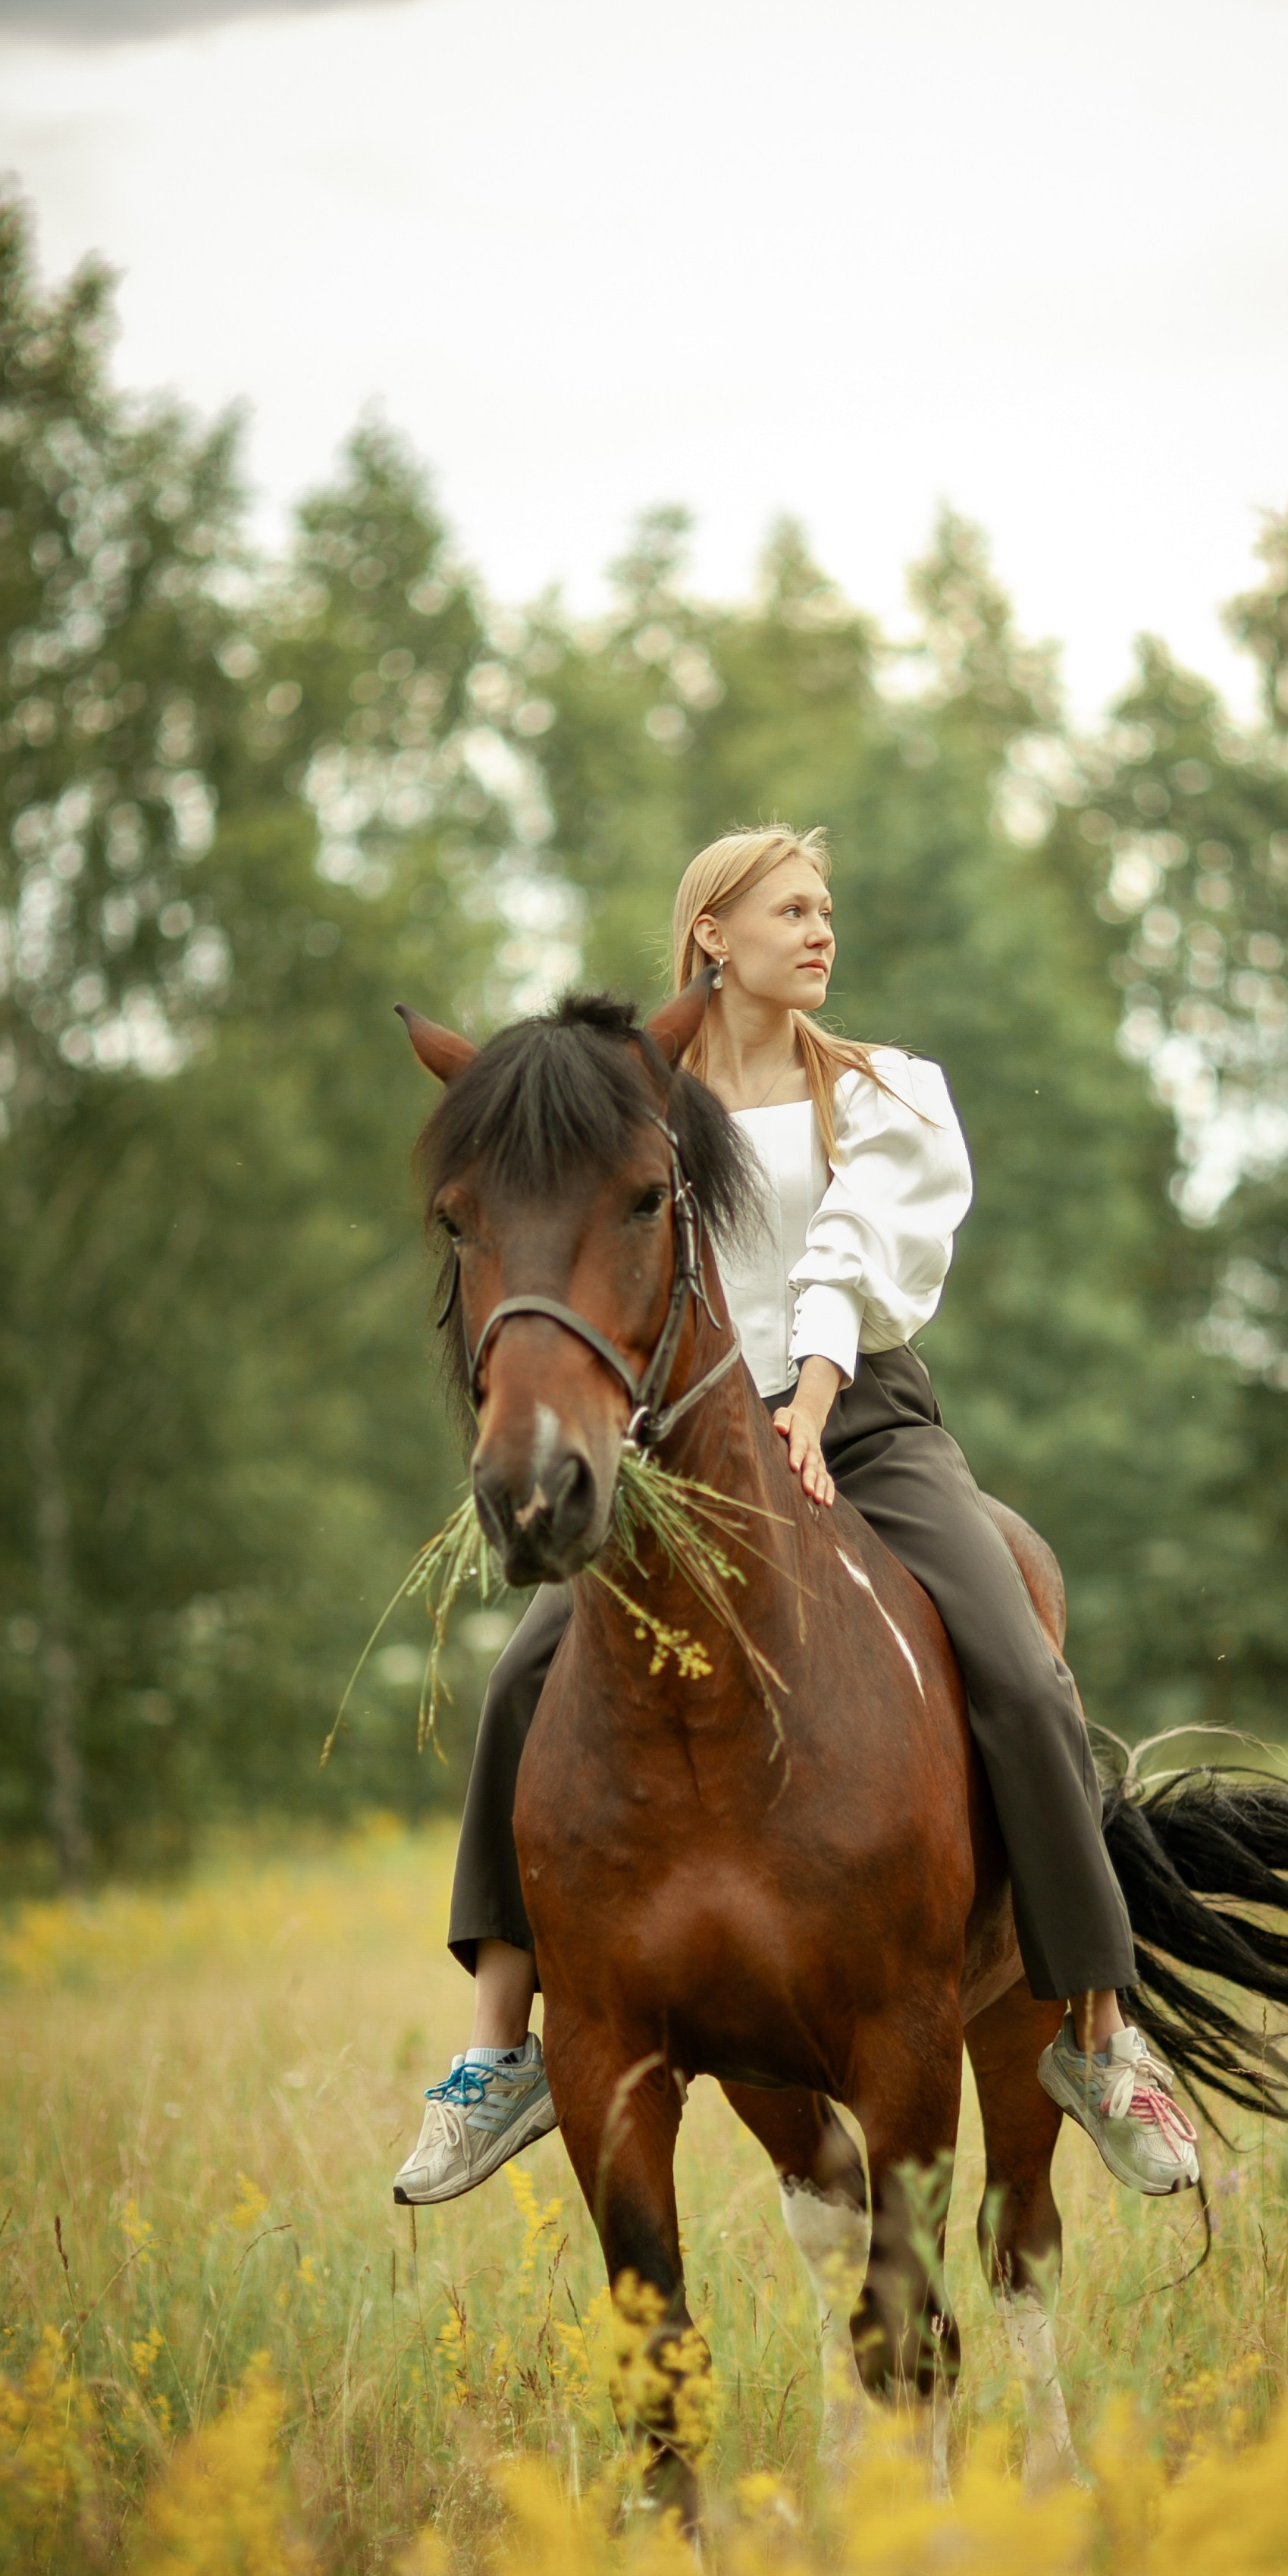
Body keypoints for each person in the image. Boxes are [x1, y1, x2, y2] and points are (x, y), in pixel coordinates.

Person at [393, 827, 1200, 2208]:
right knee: (523, 1682)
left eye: (829, 908)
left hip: (864, 1426)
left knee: (1015, 1662)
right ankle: (498, 2052)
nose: (823, 932)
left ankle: (1101, 2036)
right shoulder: (645, 1103)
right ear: (714, 932)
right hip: (683, 1446)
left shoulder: (884, 1089)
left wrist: (815, 1399)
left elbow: (853, 1254)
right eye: (793, 909)